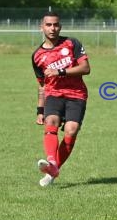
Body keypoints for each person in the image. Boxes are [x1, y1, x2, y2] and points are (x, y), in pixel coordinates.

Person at [32, 11, 91, 187]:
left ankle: (53, 169)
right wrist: (40, 110)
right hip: (54, 94)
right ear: (41, 27)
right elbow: (42, 85)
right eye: (48, 25)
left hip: (76, 94)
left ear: (60, 26)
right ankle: (52, 162)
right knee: (51, 122)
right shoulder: (37, 56)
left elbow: (86, 68)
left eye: (56, 24)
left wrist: (61, 71)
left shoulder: (72, 43)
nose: (52, 28)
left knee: (71, 130)